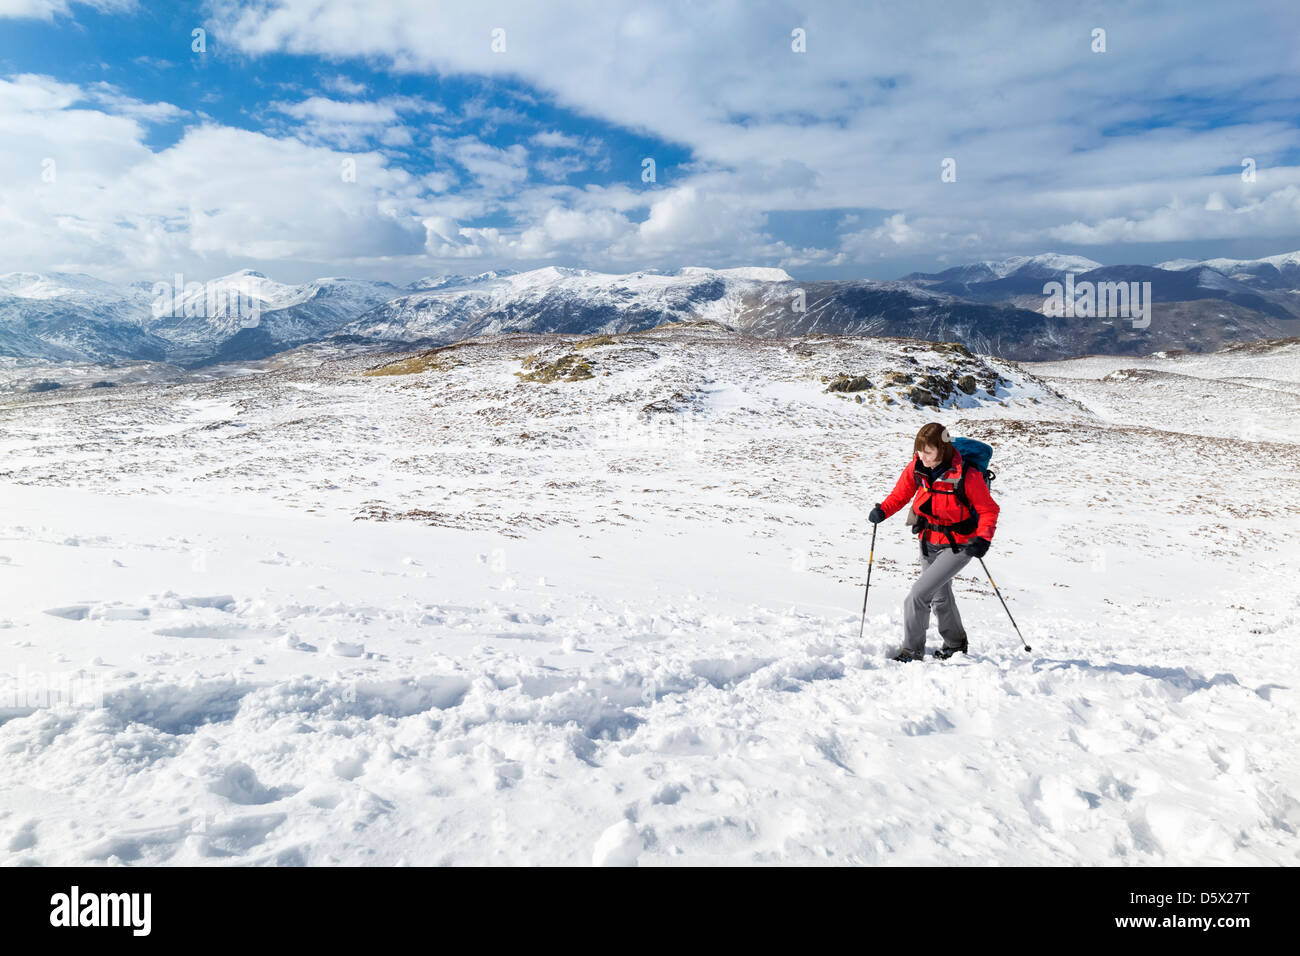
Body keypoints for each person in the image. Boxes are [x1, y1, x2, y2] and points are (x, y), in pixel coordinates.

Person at [868, 422, 999, 662]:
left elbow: (989, 509)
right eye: (919, 451)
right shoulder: (917, 467)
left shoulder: (966, 475)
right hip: (928, 540)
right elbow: (901, 494)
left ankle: (911, 651)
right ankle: (956, 644)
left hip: (959, 544)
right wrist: (883, 511)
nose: (922, 456)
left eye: (928, 451)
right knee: (940, 595)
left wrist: (983, 539)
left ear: (942, 449)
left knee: (917, 595)